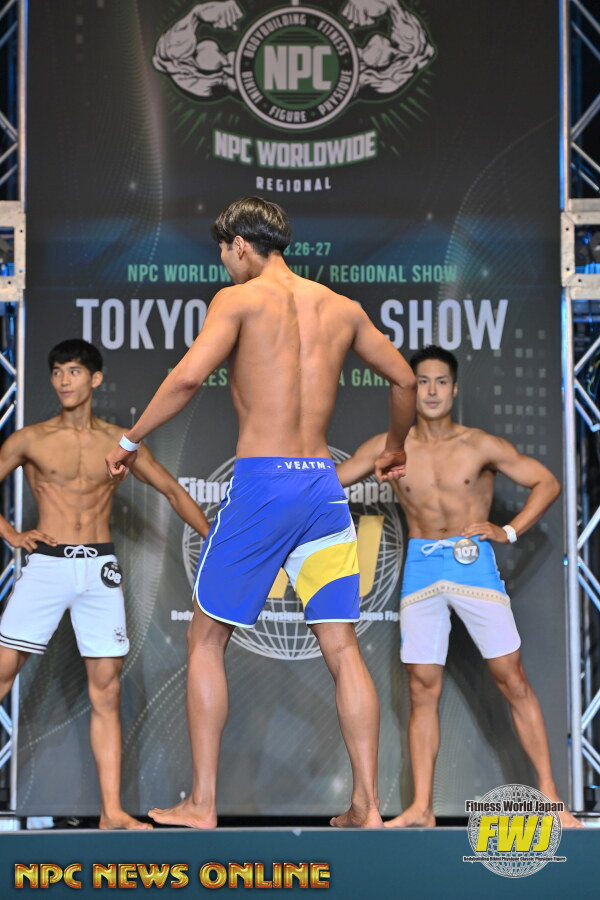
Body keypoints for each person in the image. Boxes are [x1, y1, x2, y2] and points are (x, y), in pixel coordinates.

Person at [106, 196, 416, 829]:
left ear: (240, 245)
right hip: (322, 490)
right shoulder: (342, 307)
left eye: (223, 253)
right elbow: (407, 380)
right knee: (342, 646)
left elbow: (187, 379)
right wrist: (394, 446)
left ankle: (203, 803)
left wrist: (131, 439)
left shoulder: (239, 300)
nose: (224, 264)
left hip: (264, 485)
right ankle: (368, 805)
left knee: (205, 638)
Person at [336, 344, 581, 828]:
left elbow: (547, 483)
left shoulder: (479, 445)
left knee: (512, 678)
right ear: (409, 390)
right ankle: (421, 808)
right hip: (422, 567)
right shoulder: (391, 447)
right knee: (421, 688)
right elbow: (328, 482)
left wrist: (509, 531)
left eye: (440, 382)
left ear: (454, 389)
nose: (431, 391)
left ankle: (551, 800)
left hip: (474, 566)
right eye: (422, 382)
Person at [0, 339, 210, 830]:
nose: (63, 380)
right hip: (47, 565)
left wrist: (213, 540)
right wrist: (10, 534)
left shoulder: (119, 443)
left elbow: (171, 489)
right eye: (56, 371)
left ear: (95, 379)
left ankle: (112, 812)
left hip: (99, 570)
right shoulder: (29, 439)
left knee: (107, 692)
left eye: (73, 371)